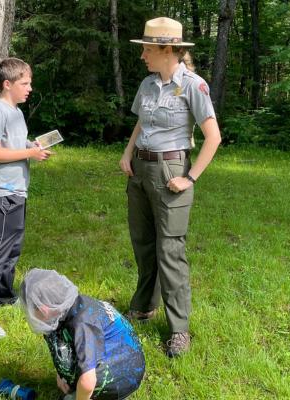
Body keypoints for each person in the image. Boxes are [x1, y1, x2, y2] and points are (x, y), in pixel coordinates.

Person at [119, 17, 222, 357]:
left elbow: (213, 137)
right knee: (144, 243)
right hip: (141, 169)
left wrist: (190, 177)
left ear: (167, 50)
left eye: (147, 49)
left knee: (170, 251)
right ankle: (145, 305)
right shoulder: (148, 83)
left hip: (171, 170)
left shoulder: (194, 85)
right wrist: (128, 153)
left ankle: (179, 329)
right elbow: (140, 121)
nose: (142, 55)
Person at [0, 58, 55, 337]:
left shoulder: (16, 112)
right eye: (25, 83)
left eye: (30, 82)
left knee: (12, 249)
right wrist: (29, 154)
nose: (30, 88)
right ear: (7, 85)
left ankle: (5, 295)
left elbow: (11, 143)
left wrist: (31, 146)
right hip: (1, 193)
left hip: (17, 190)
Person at [19, 269, 145, 400]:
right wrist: (60, 373)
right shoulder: (71, 304)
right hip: (117, 360)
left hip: (120, 379)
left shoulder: (82, 323)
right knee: (52, 331)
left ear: (44, 310)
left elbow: (87, 383)